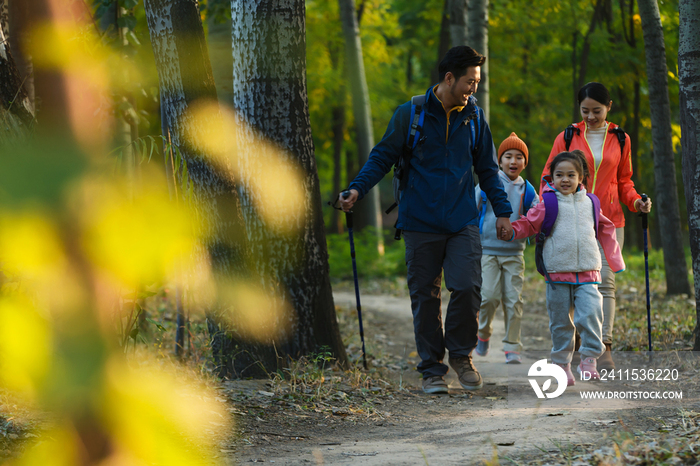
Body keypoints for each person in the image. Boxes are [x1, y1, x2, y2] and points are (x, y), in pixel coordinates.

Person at [339, 46, 514, 395]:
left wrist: (504, 212)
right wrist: (358, 189)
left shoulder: (475, 119)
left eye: (476, 82)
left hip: (463, 220)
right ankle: (432, 368)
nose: (473, 89)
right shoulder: (411, 114)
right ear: (449, 78)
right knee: (425, 296)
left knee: (467, 286)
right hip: (419, 221)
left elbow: (488, 171)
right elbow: (383, 156)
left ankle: (461, 356)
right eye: (469, 81)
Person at [539, 82, 652, 371]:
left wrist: (636, 202)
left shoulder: (621, 138)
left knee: (605, 283)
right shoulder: (566, 137)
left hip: (610, 220)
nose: (590, 117)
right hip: (570, 218)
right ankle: (577, 343)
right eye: (585, 111)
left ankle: (604, 347)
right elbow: (546, 178)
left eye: (596, 111)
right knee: (574, 283)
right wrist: (547, 208)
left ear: (609, 107)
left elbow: (624, 181)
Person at [509, 151, 625, 384]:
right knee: (561, 321)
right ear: (551, 178)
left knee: (591, 315)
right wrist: (511, 231)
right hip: (557, 273)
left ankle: (589, 359)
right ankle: (562, 365)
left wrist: (614, 261)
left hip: (589, 273)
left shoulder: (591, 202)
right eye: (559, 175)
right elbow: (530, 223)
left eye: (571, 174)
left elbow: (606, 228)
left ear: (581, 177)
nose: (565, 179)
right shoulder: (548, 203)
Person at [474, 133, 539, 364]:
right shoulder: (487, 184)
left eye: (519, 157)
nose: (513, 161)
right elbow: (472, 211)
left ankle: (512, 346)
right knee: (488, 297)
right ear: (499, 161)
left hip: (514, 253)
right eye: (508, 156)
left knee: (513, 301)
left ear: (525, 162)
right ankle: (483, 334)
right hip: (487, 251)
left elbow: (537, 216)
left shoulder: (528, 190)